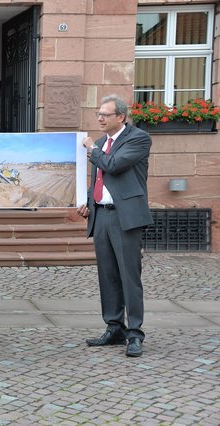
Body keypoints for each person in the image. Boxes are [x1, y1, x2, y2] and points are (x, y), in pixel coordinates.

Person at [77, 94, 153, 357]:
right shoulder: (101, 142)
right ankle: (114, 327)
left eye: (105, 114)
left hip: (126, 217)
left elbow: (114, 165)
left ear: (120, 116)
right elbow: (96, 179)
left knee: (129, 277)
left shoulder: (137, 138)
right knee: (107, 275)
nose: (99, 118)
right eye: (98, 113)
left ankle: (135, 334)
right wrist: (89, 202)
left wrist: (93, 151)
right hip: (102, 215)